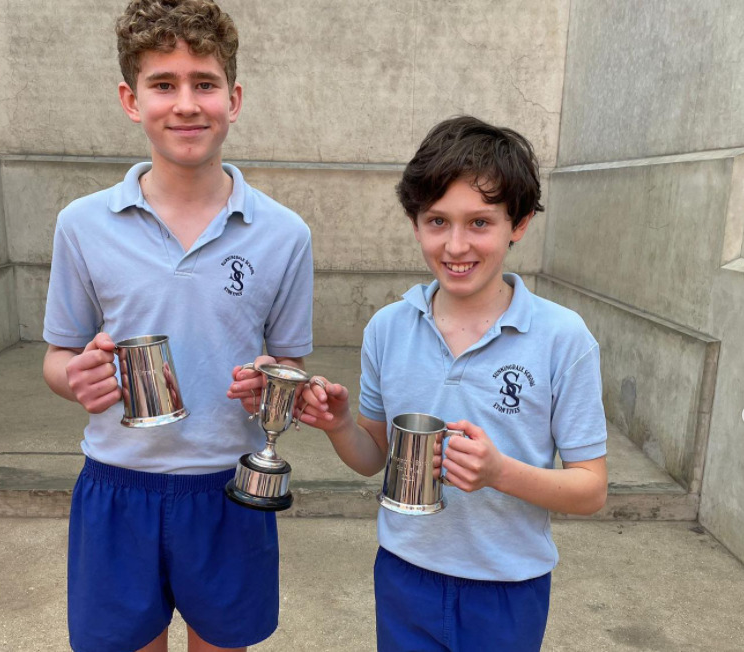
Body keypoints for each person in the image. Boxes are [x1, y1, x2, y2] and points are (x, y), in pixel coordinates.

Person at [41, 1, 313, 650]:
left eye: (204, 83)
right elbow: (57, 357)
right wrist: (75, 378)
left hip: (228, 486)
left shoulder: (284, 234)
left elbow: (292, 365)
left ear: (234, 97)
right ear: (131, 100)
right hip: (117, 483)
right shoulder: (82, 225)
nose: (185, 103)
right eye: (163, 84)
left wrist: (278, 388)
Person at [297, 115, 608, 651]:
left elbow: (590, 488)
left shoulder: (563, 338)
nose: (456, 245)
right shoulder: (387, 329)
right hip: (404, 571)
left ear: (520, 223)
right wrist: (340, 423)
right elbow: (375, 457)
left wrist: (499, 472)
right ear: (415, 222)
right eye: (436, 221)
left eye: (480, 223)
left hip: (509, 586)